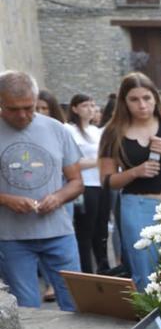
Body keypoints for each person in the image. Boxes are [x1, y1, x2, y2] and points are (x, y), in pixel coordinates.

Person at [99, 72, 161, 289]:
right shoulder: (113, 133)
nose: (142, 105)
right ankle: (151, 316)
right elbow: (107, 180)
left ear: (155, 99)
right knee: (145, 267)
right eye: (134, 99)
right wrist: (134, 172)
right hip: (136, 205)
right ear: (124, 102)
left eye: (147, 98)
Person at [0, 71, 84, 310]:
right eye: (13, 109)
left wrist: (58, 198)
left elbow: (76, 181)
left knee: (75, 301)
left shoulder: (56, 129)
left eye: (29, 107)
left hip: (58, 231)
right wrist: (6, 199)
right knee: (26, 307)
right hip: (11, 237)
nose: (23, 115)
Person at [65, 94, 109, 273]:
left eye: (92, 105)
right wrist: (98, 161)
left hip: (100, 184)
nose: (90, 109)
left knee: (102, 230)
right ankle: (86, 271)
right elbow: (72, 161)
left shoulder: (96, 131)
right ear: (74, 108)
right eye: (85, 105)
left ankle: (103, 268)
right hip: (84, 185)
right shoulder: (69, 130)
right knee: (85, 231)